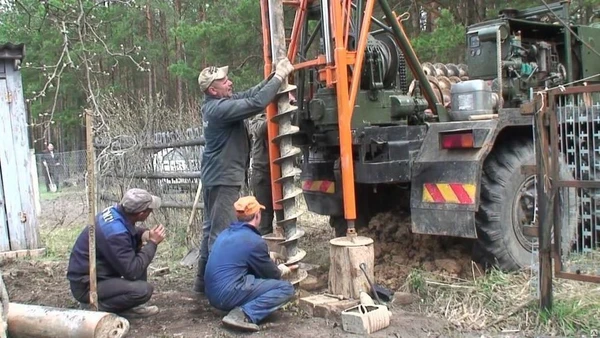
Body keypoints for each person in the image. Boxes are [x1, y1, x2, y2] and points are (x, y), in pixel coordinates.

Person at [193, 57, 295, 294]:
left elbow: (252, 93)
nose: (229, 82)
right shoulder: (218, 109)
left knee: (210, 229)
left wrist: (273, 78)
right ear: (212, 90)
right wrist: (279, 77)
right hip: (223, 178)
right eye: (223, 81)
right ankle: (216, 286)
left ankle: (202, 283)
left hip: (216, 176)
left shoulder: (222, 102)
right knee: (220, 232)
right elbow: (257, 102)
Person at [66, 188, 166, 319]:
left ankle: (128, 306)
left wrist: (143, 234)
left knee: (138, 252)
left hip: (95, 277)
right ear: (141, 214)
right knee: (143, 291)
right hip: (87, 285)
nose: (151, 212)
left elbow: (127, 231)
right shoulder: (115, 234)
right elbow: (133, 271)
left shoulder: (114, 212)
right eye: (149, 210)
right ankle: (94, 306)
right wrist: (152, 243)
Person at [204, 196, 297, 331]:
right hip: (226, 294)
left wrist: (265, 257)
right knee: (285, 288)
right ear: (257, 215)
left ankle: (228, 307)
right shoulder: (254, 241)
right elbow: (272, 274)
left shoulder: (225, 233)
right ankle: (242, 314)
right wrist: (281, 269)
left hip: (212, 294)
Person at [249, 114, 276, 235]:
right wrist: (277, 115)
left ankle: (283, 249)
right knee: (264, 216)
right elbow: (260, 129)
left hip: (280, 172)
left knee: (283, 215)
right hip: (262, 173)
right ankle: (263, 248)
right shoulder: (258, 118)